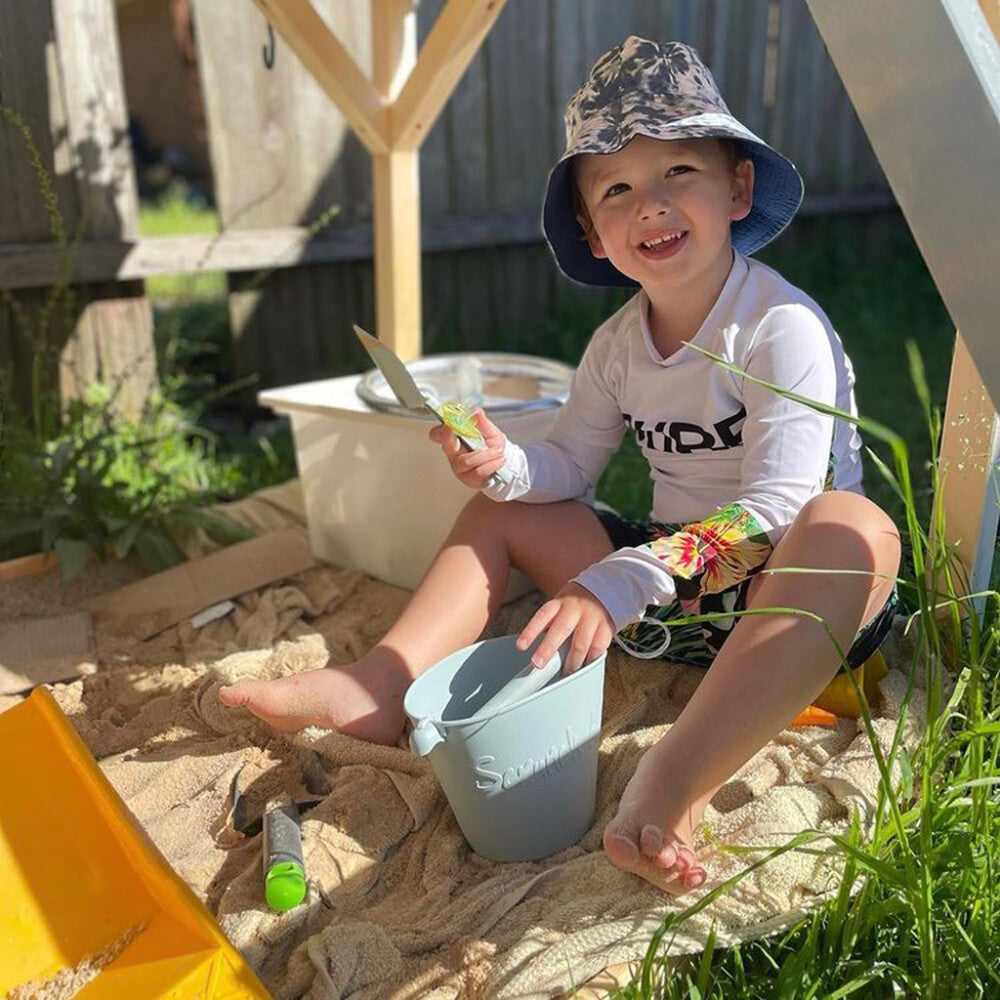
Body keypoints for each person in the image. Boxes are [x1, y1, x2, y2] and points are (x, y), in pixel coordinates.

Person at [220, 37, 901, 894]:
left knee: (849, 527)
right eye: (617, 189)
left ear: (737, 188)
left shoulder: (777, 327)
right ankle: (385, 683)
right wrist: (506, 466)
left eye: (678, 170)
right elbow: (571, 465)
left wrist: (620, 580)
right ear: (593, 233)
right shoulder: (616, 347)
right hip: (678, 606)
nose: (650, 204)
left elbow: (773, 509)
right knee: (504, 515)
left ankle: (673, 780)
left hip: (795, 609)